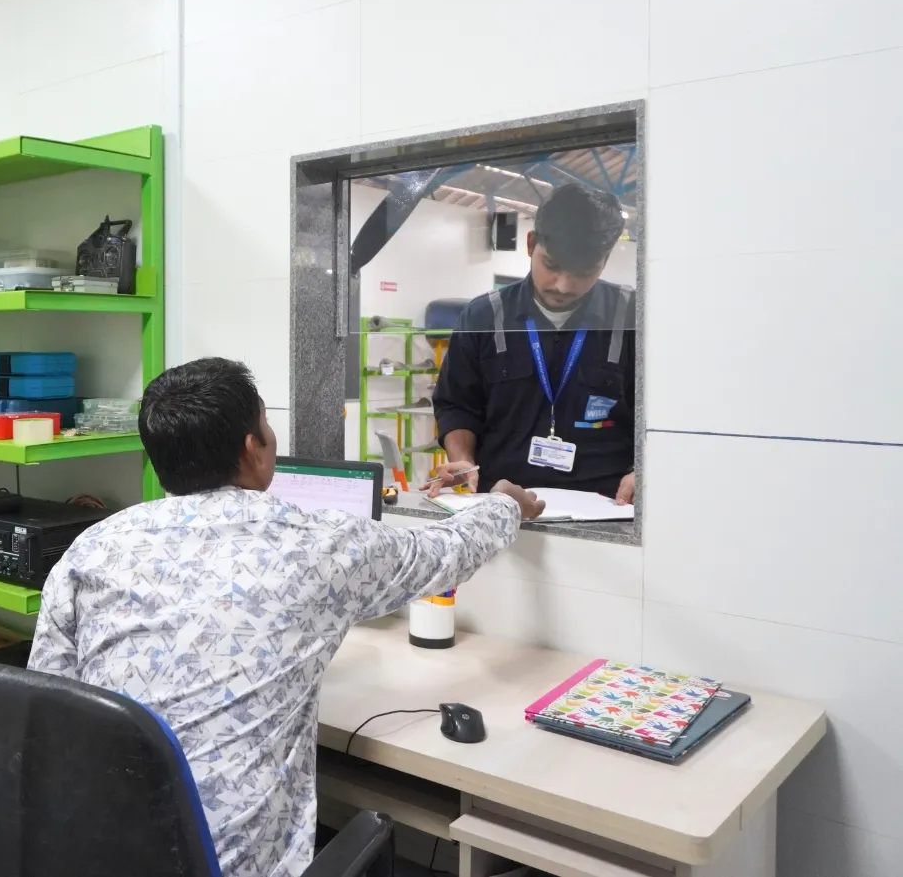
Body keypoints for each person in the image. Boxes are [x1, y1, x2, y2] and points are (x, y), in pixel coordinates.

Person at [28, 357, 542, 877]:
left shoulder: (92, 547)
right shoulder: (316, 544)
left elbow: (47, 703)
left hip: (88, 851)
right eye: (267, 426)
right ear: (252, 447)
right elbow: (446, 551)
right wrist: (505, 503)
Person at [431, 182, 635, 503]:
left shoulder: (633, 316)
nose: (563, 285)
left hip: (608, 504)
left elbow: (667, 416)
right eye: (551, 265)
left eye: (583, 272)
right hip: (503, 504)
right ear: (530, 243)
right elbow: (457, 406)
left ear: (605, 260)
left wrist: (645, 471)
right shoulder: (484, 316)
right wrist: (464, 459)